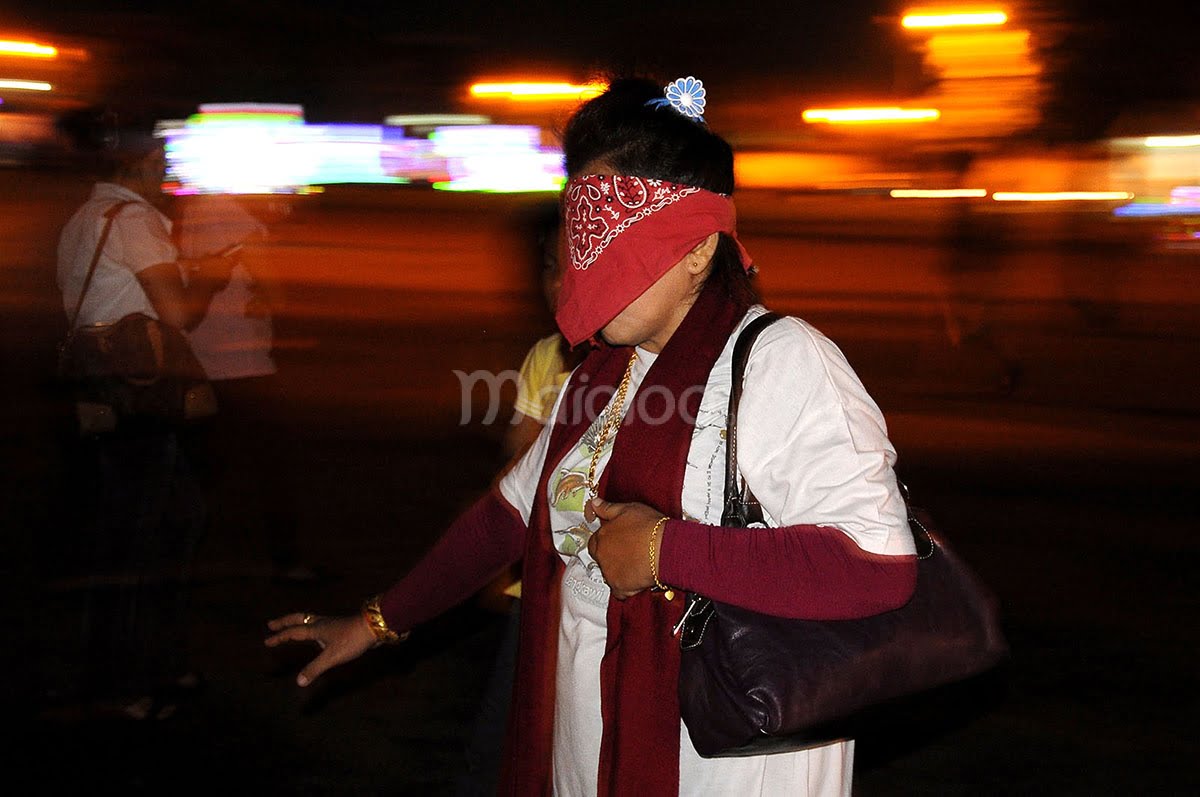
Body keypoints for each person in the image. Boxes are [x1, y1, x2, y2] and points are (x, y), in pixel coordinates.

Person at [267, 77, 918, 795]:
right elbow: (512, 515)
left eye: (608, 236)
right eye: (576, 235)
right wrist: (379, 620)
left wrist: (664, 548)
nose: (581, 264)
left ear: (699, 247)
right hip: (590, 753)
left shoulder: (781, 360)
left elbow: (875, 564)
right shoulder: (603, 372)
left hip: (724, 763)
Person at [55, 109, 235, 719]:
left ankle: (156, 664)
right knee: (143, 537)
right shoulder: (134, 222)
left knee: (163, 522)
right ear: (133, 164)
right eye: (160, 163)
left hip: (103, 393)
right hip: (143, 399)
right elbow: (178, 314)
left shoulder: (85, 218)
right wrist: (212, 274)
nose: (167, 172)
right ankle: (128, 683)